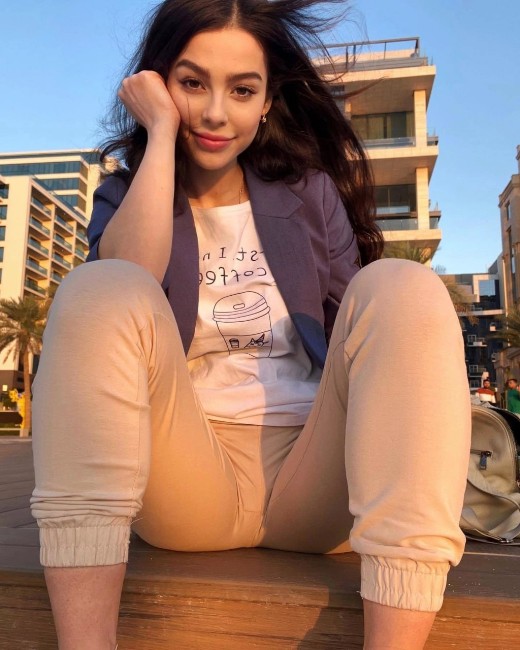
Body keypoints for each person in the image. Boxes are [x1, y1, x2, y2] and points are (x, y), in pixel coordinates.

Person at [30, 1, 471, 648]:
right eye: (191, 83)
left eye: (242, 90)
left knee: (403, 285)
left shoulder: (308, 192)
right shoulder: (126, 194)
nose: (215, 112)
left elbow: (366, 334)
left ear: (266, 102)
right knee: (98, 286)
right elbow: (126, 278)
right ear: (158, 83)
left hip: (315, 478)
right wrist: (160, 134)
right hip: (186, 480)